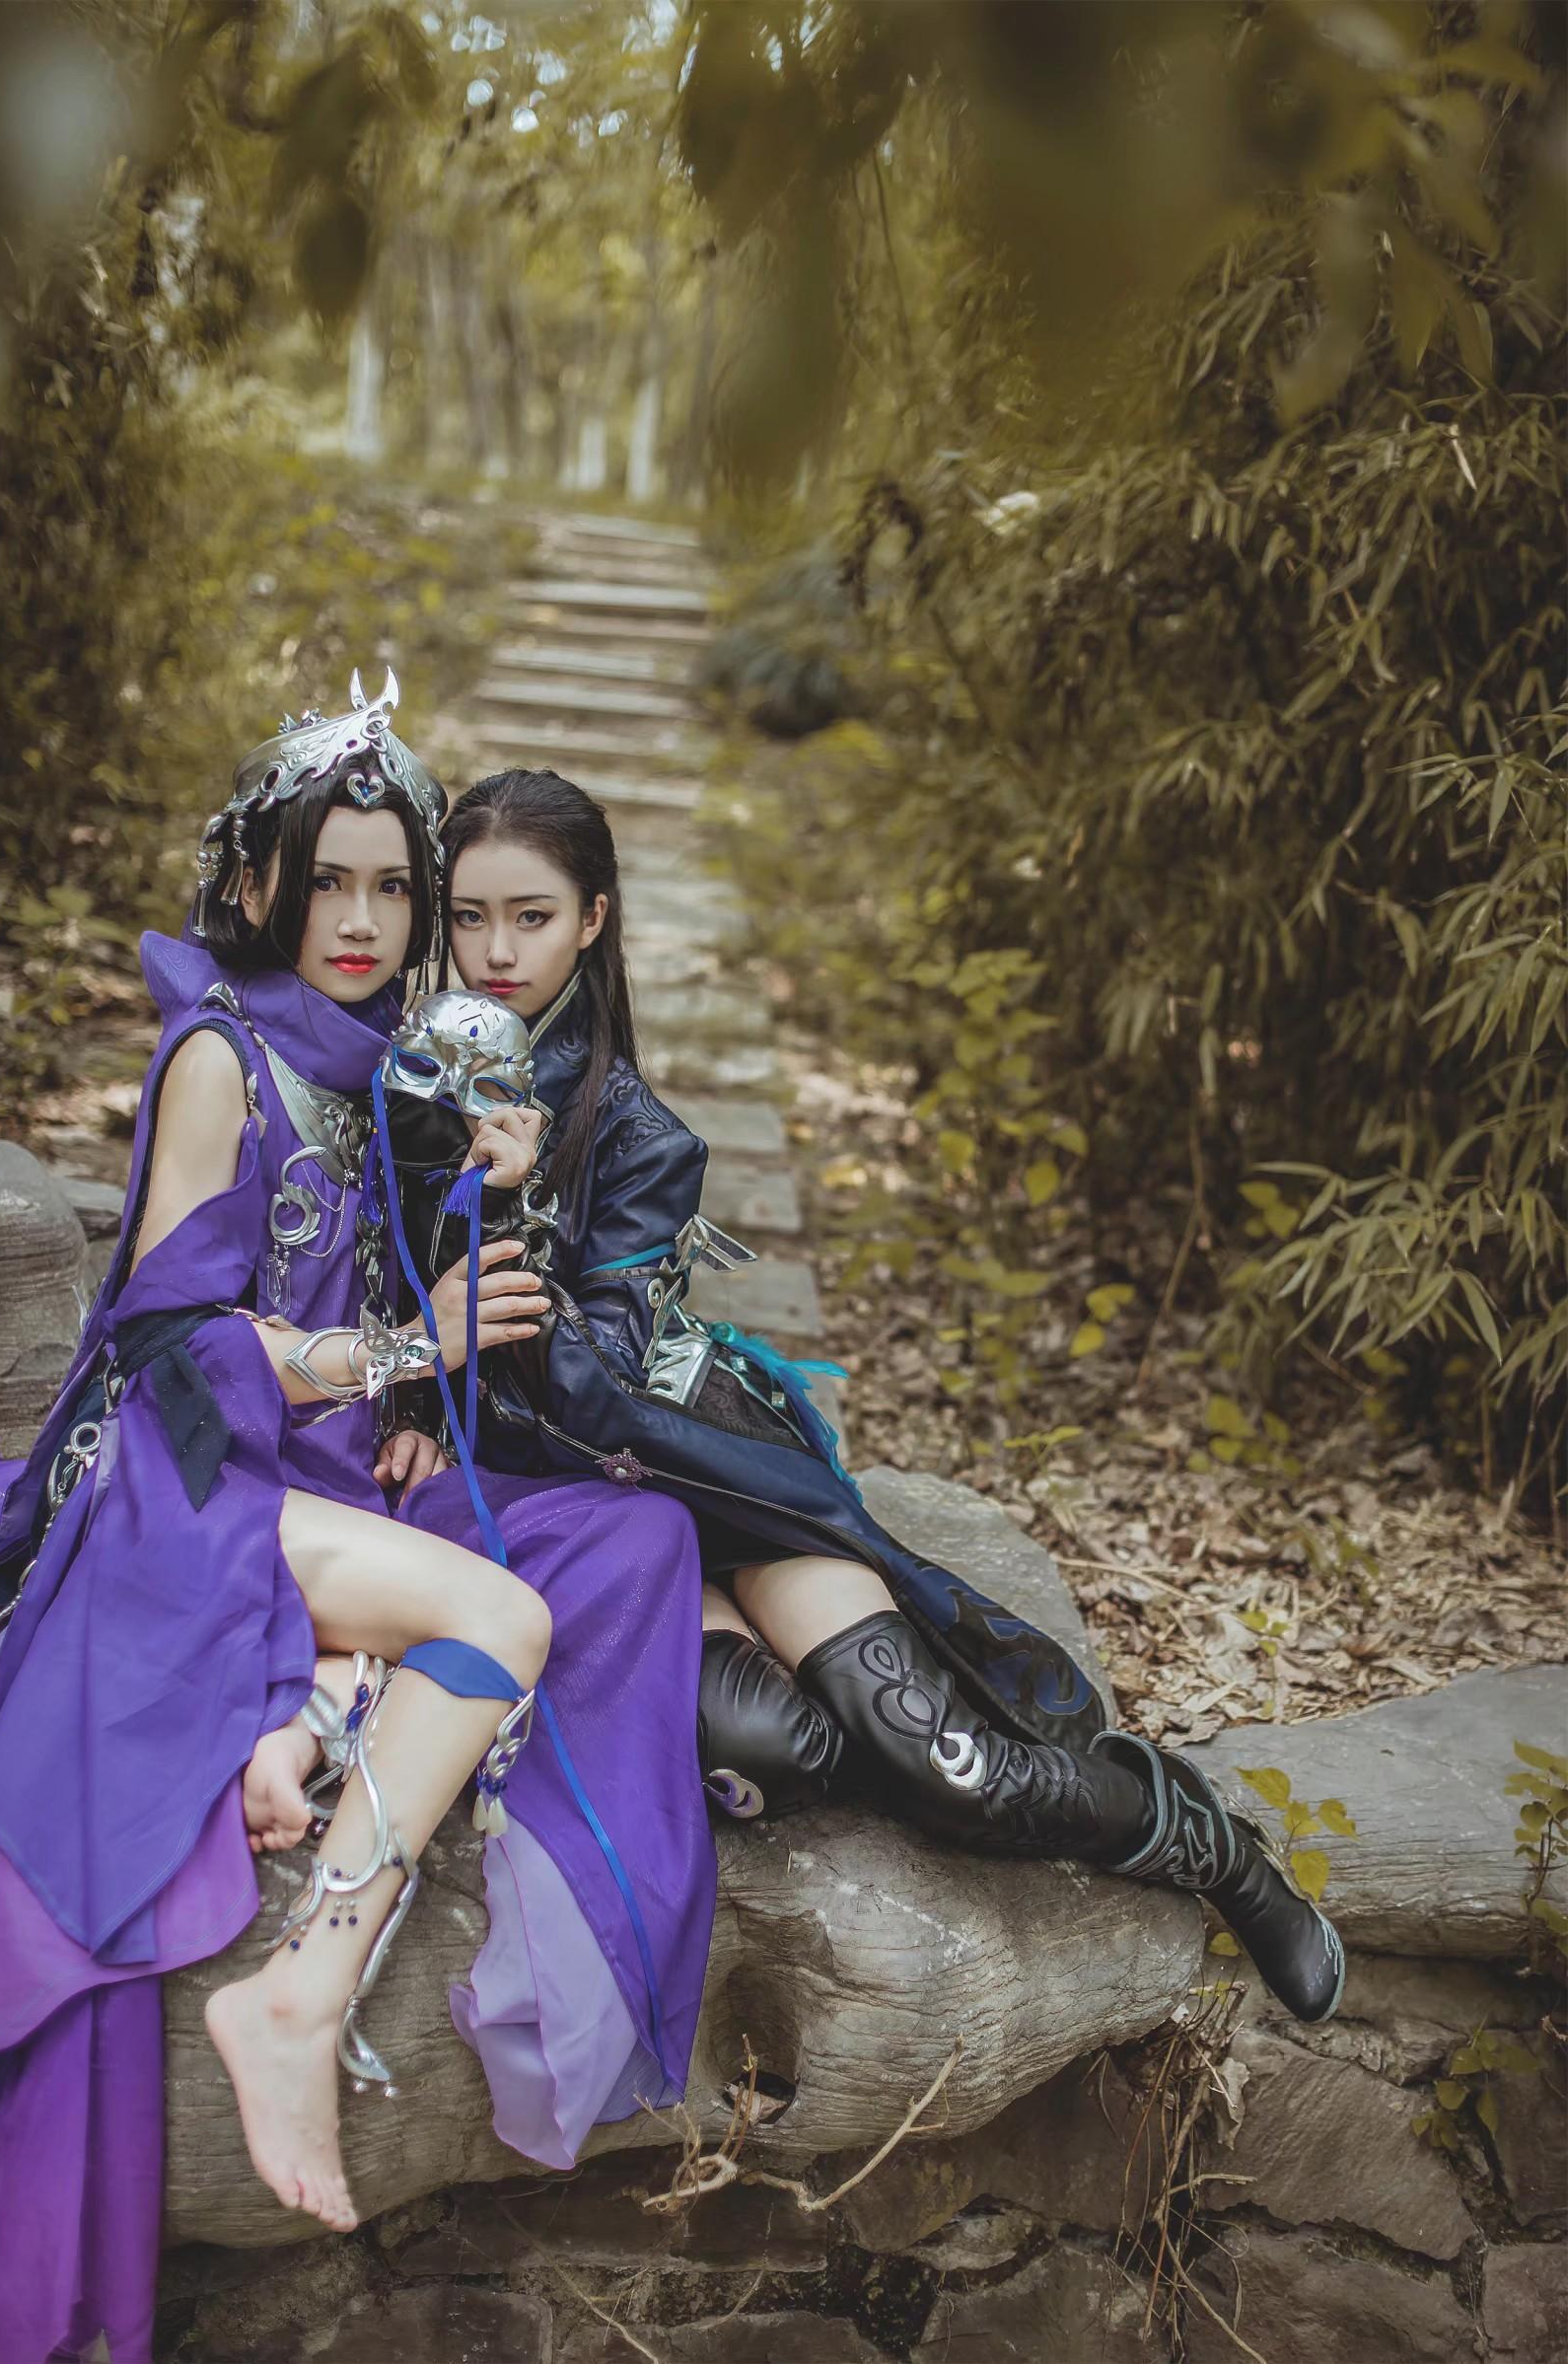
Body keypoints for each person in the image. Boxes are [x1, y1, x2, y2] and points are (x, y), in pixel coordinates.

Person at [0, 685, 713, 2364]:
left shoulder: (396, 1062)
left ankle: (309, 1710)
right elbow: (174, 1339)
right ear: (260, 882)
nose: (365, 920)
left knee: (626, 1544)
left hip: (318, 1470)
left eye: (396, 887)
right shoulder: (222, 1058)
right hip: (183, 1480)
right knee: (502, 1617)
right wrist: (398, 1357)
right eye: (331, 881)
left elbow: (413, 1295)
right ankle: (300, 1988)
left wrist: (467, 1264)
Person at [388, 765, 1345, 2031]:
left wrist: (510, 1205)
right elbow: (370, 1295)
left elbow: (602, 1387)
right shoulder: (403, 1089)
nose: (497, 953)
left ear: (594, 921)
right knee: (767, 1751)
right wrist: (405, 1404)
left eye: (533, 916)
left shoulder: (639, 1137)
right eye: (468, 917)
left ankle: (1201, 1838)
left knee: (952, 1771)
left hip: (695, 1475)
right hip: (582, 1522)